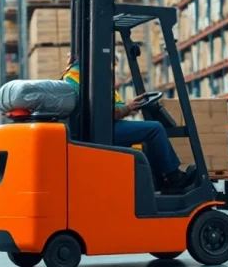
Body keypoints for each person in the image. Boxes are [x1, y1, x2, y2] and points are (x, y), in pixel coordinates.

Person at [62, 56, 197, 191]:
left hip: (101, 127)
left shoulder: (88, 74)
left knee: (147, 138)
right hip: (100, 130)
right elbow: (98, 111)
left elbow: (106, 106)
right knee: (155, 129)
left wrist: (129, 106)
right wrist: (126, 109)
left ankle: (161, 181)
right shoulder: (80, 75)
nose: (111, 67)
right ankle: (175, 177)